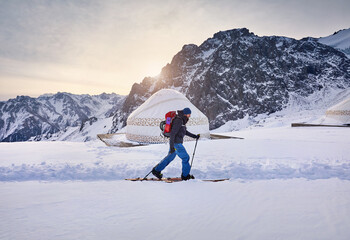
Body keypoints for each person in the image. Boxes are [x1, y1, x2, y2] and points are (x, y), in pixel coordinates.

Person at [152, 107, 200, 180]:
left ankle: (156, 170)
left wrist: (194, 136)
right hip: (176, 143)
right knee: (185, 157)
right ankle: (185, 176)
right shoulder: (179, 121)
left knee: (170, 157)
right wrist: (171, 147)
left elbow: (184, 131)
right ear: (185, 114)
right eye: (189, 115)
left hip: (175, 143)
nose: (189, 116)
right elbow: (172, 134)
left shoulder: (182, 121)